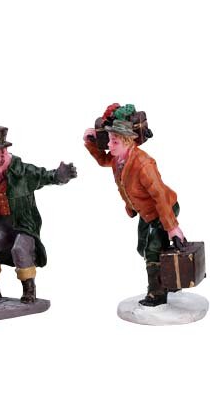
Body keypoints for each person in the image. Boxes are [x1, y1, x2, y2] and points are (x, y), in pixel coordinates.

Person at [0, 125, 77, 303]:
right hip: (1, 224)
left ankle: (29, 289)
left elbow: (46, 175)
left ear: (4, 152)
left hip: (24, 225)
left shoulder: (24, 172)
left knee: (20, 249)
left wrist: (60, 176)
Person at [83, 118, 185, 307]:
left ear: (127, 141)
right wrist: (90, 143)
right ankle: (170, 278)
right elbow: (103, 160)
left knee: (152, 250)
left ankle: (157, 294)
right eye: (109, 140)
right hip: (146, 211)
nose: (109, 145)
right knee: (143, 248)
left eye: (114, 141)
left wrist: (172, 228)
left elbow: (160, 195)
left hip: (163, 209)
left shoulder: (144, 164)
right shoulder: (118, 158)